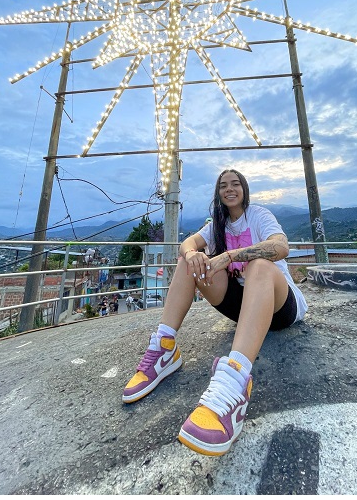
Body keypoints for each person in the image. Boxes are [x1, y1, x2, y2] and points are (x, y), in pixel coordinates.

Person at [121, 168, 307, 457]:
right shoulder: (217, 224)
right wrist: (194, 253)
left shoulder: (258, 215)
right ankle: (165, 347)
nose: (229, 189)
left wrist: (231, 255)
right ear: (218, 193)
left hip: (281, 306)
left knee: (258, 265)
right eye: (223, 185)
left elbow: (281, 247)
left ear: (244, 189)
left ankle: (234, 382)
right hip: (244, 306)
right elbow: (188, 244)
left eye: (235, 184)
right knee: (190, 262)